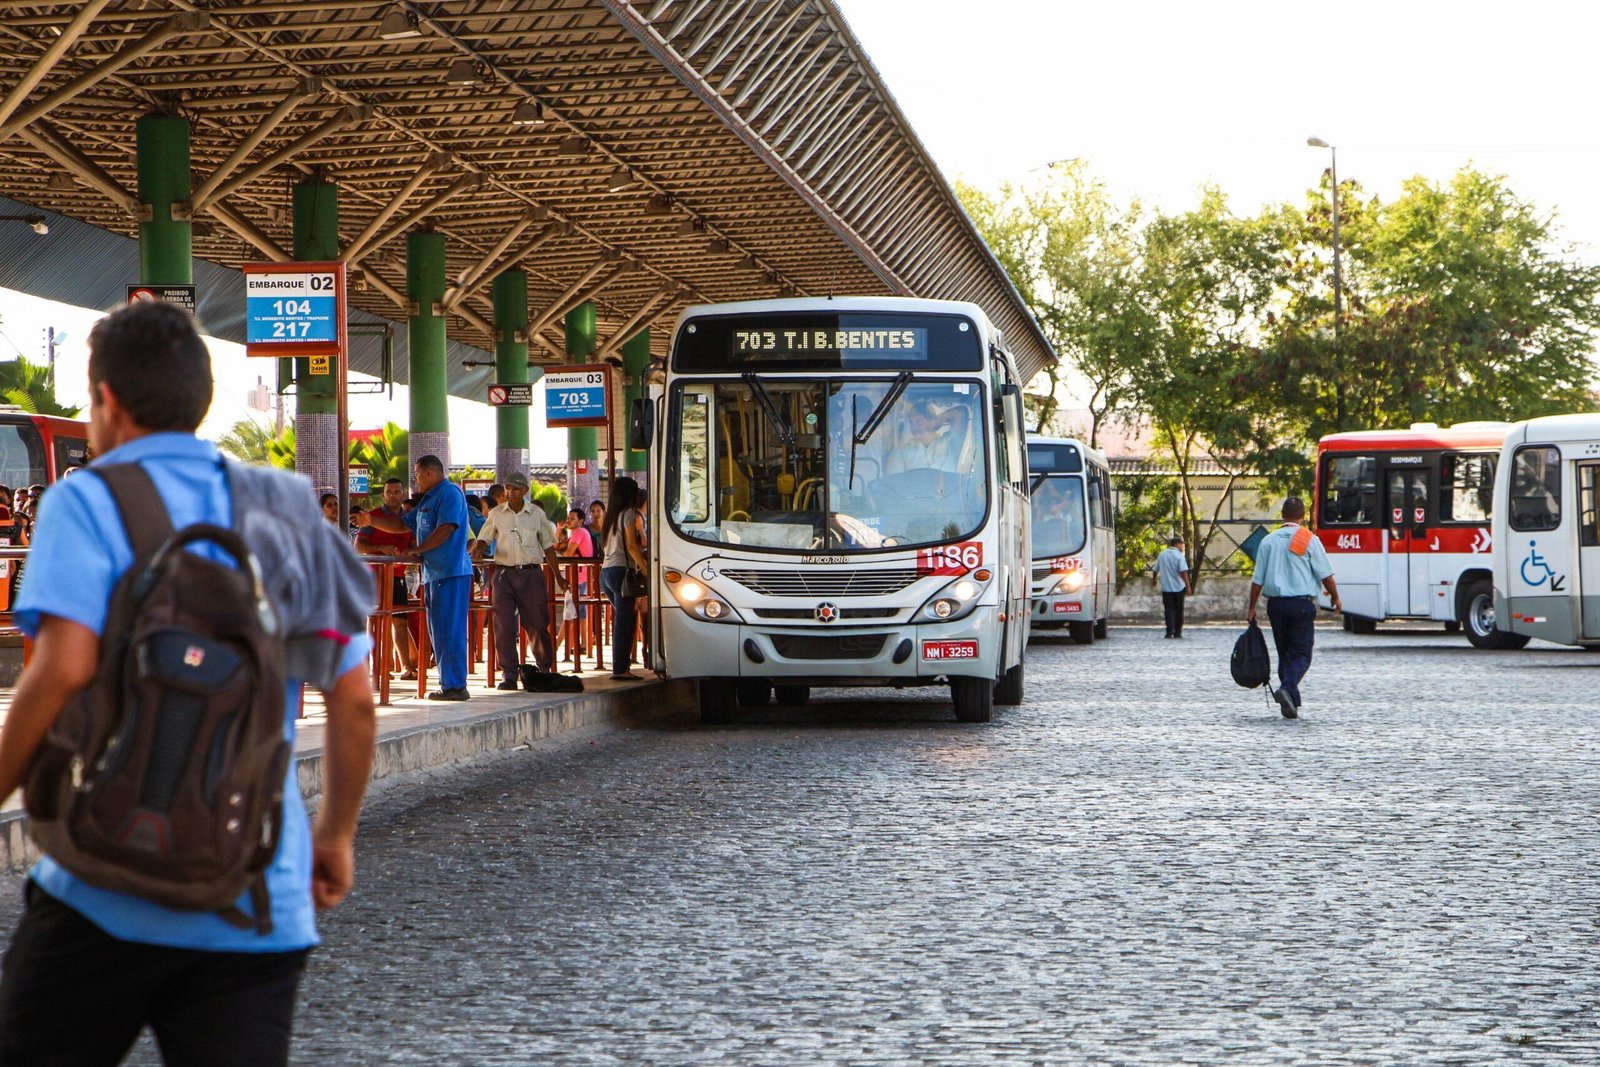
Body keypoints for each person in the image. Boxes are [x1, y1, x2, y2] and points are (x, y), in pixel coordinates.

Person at [0, 300, 377, 1065]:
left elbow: (63, 666)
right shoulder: (286, 506)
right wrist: (334, 834)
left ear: (106, 400)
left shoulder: (85, 497)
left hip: (100, 889)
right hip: (255, 893)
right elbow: (356, 701)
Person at [357, 455, 473, 701]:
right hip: (434, 573)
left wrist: (418, 550)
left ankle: (455, 685)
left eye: (418, 474)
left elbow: (447, 528)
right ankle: (448, 682)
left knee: (449, 629)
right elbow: (402, 525)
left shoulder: (450, 494)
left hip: (451, 571)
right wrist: (371, 521)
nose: (416, 479)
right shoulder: (428, 499)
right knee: (438, 630)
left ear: (430, 473)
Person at [1246, 497, 1343, 719]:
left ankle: (1292, 704)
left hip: (1276, 605)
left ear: (1282, 515)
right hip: (1301, 604)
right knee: (1301, 654)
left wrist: (1252, 607)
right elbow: (1326, 575)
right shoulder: (1309, 539)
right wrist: (1336, 598)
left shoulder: (1268, 541)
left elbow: (1257, 580)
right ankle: (1287, 689)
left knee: (1285, 652)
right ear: (1303, 516)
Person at [471, 471, 566, 688]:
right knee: (504, 625)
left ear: (524, 491)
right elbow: (484, 538)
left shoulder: (536, 514)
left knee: (537, 624)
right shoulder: (496, 513)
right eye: (508, 488)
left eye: (515, 488)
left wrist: (558, 576)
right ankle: (509, 674)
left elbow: (549, 547)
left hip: (531, 573)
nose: (510, 492)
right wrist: (479, 548)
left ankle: (543, 669)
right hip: (503, 575)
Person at [355, 476, 418, 680]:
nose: (392, 495)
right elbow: (359, 546)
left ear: (403, 494)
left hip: (398, 575)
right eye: (389, 492)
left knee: (400, 621)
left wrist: (409, 553)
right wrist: (380, 548)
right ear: (383, 495)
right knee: (373, 621)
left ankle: (406, 667)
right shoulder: (371, 517)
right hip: (373, 576)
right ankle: (377, 667)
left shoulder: (410, 518)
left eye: (396, 491)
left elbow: (415, 545)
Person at [599, 478, 648, 681]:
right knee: (624, 623)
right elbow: (631, 546)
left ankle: (621, 666)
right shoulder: (628, 515)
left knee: (624, 620)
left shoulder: (610, 517)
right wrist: (645, 569)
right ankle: (621, 669)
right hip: (621, 573)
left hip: (606, 574)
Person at [1155, 535, 1193, 638]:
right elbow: (1184, 572)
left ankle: (1169, 631)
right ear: (1177, 544)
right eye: (1182, 544)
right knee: (1179, 610)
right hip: (1179, 588)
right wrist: (1188, 586)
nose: (1183, 546)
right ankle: (1177, 632)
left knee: (1168, 610)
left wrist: (1154, 580)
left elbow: (1155, 569)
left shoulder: (1162, 555)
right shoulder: (1179, 556)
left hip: (1166, 588)